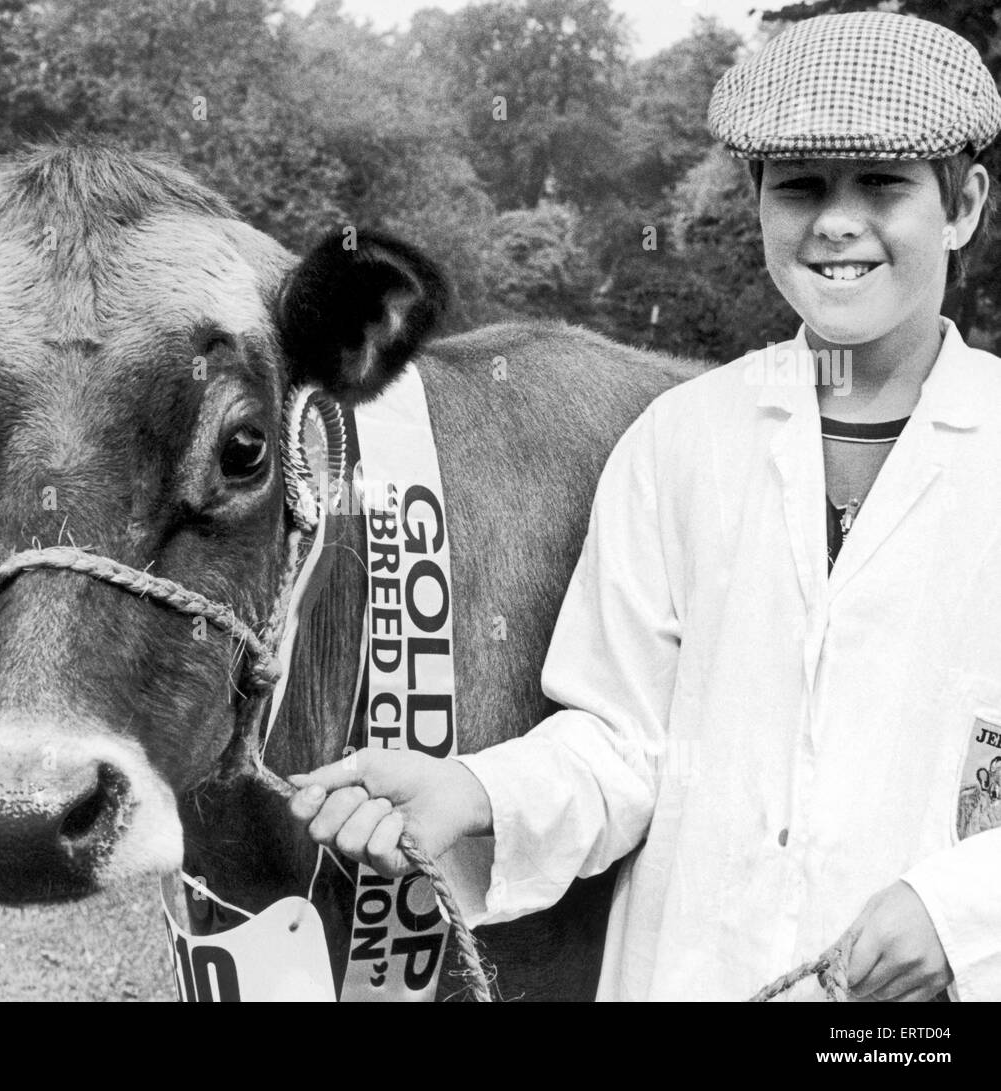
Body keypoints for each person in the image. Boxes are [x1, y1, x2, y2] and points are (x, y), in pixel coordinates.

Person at [288, 10, 1001, 1001]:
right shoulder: (680, 442)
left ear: (962, 204)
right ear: (757, 205)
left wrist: (962, 913)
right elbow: (619, 745)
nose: (836, 221)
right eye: (799, 187)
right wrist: (474, 789)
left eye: (882, 182)